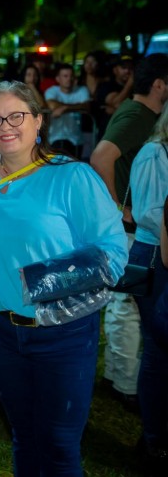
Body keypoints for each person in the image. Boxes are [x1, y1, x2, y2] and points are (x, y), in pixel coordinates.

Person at [0, 81, 128, 476]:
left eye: (16, 116)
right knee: (23, 435)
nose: (6, 126)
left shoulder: (73, 177)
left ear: (38, 121)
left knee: (59, 445)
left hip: (63, 333)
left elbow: (114, 252)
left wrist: (45, 280)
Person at [91, 53, 168, 410]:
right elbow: (100, 156)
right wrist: (118, 208)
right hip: (132, 229)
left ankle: (121, 378)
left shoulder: (139, 113)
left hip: (137, 226)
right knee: (126, 304)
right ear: (159, 84)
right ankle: (124, 383)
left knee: (127, 303)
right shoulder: (139, 116)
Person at [128, 107, 168, 469]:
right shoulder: (154, 152)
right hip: (154, 256)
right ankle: (153, 439)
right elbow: (147, 212)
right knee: (158, 348)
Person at [45, 63, 91, 158]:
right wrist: (76, 107)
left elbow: (87, 106)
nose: (69, 79)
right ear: (58, 79)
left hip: (77, 139)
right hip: (56, 138)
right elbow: (52, 105)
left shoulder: (82, 90)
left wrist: (65, 108)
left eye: (71, 76)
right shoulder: (51, 91)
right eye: (65, 76)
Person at [95, 55, 135, 135]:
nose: (127, 71)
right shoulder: (106, 86)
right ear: (115, 70)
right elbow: (117, 103)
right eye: (123, 68)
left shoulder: (137, 88)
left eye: (130, 68)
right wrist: (129, 83)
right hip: (109, 133)